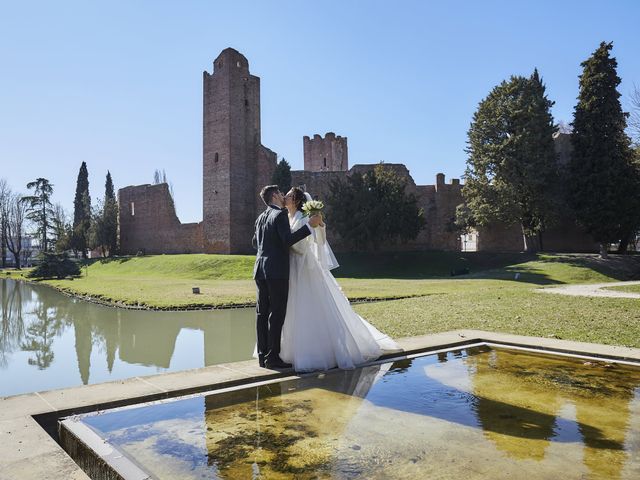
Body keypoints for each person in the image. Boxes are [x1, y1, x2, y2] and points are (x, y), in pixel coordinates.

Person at [279, 187, 399, 372]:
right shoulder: (287, 217)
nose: (284, 198)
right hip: (291, 269)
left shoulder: (304, 219)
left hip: (303, 267)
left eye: (287, 196)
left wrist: (306, 232)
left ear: (295, 200)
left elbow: (304, 247)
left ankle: (319, 352)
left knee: (308, 307)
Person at [252, 185, 321, 369]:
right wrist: (309, 227)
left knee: (261, 314)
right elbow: (287, 240)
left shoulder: (260, 218)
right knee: (277, 314)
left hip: (260, 270)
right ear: (275, 195)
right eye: (281, 194)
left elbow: (254, 242)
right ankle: (273, 357)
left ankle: (262, 356)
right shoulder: (280, 214)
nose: (283, 196)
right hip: (277, 271)